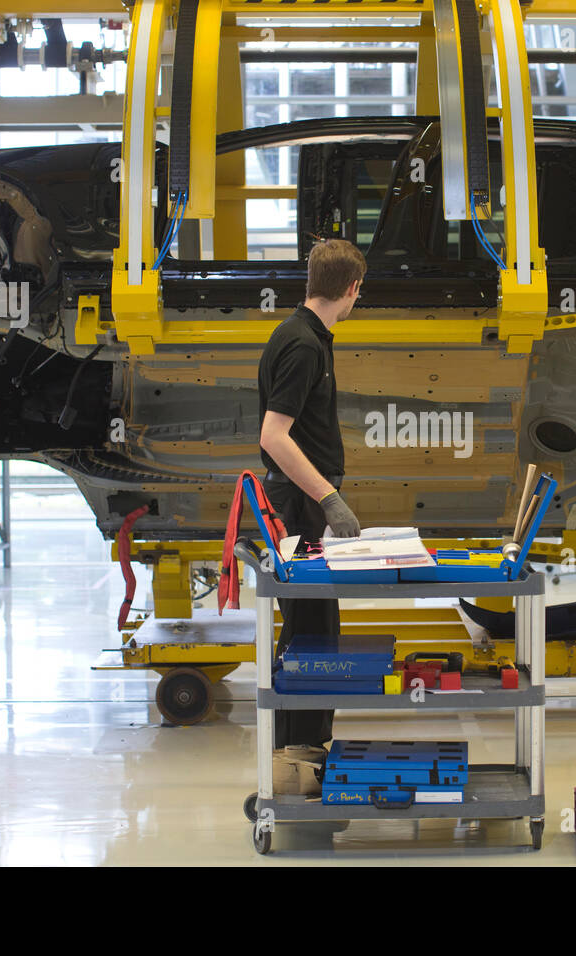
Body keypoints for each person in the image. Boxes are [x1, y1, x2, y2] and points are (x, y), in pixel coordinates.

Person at [258, 239, 366, 749]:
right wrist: (328, 498)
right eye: (357, 293)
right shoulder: (302, 344)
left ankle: (299, 750)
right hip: (301, 508)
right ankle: (298, 756)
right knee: (311, 637)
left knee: (311, 628)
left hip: (304, 505)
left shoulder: (307, 335)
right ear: (351, 289)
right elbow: (273, 435)